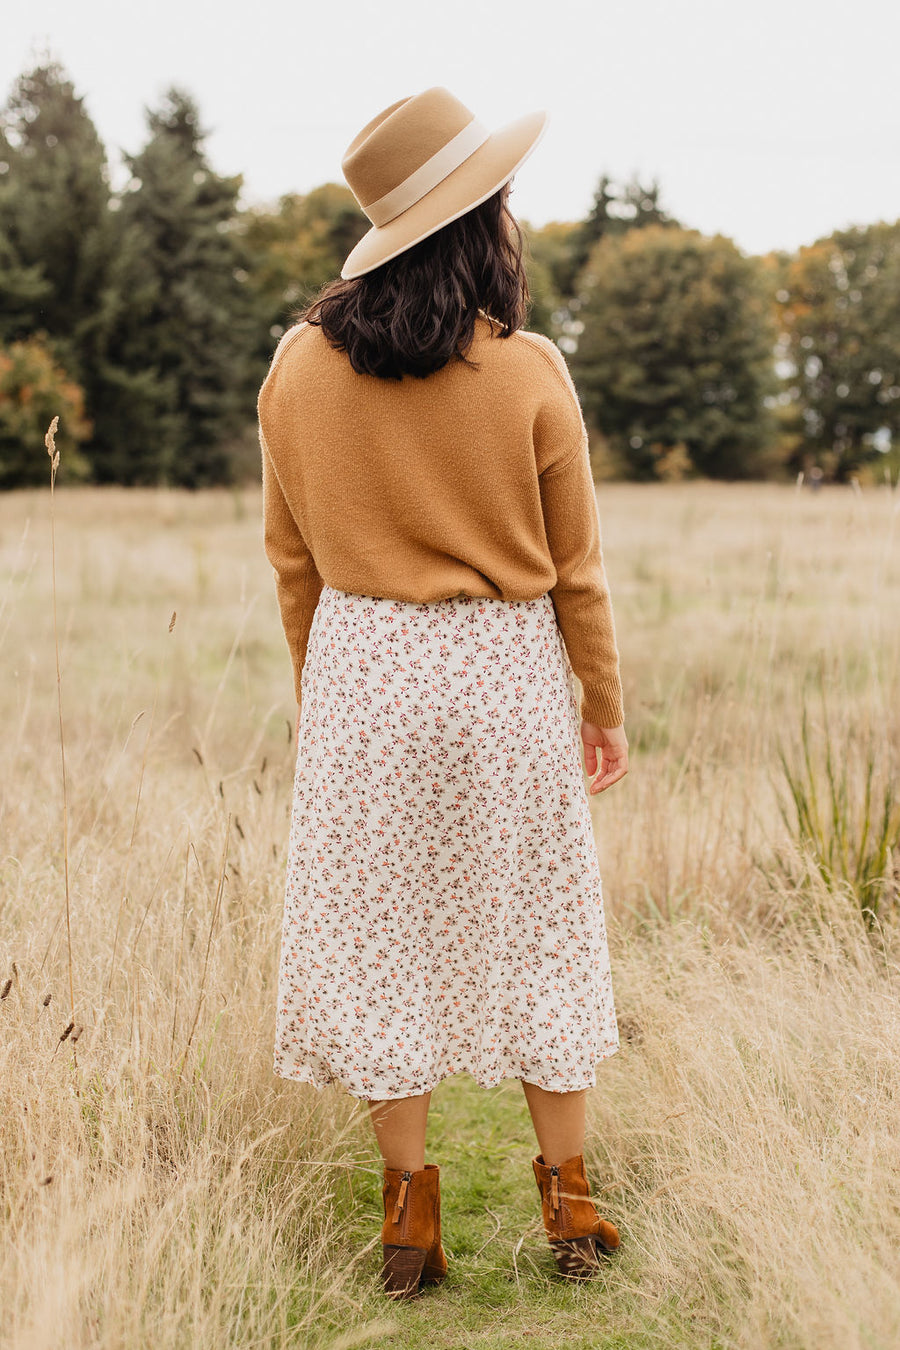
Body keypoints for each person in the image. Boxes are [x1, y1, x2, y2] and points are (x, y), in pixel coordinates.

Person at [257, 85, 629, 1299]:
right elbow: (576, 570)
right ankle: (571, 1205)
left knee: (379, 945)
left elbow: (292, 562)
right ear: (482, 228)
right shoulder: (529, 370)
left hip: (364, 673)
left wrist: (329, 699)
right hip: (504, 676)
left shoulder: (298, 370)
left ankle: (411, 1223)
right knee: (540, 933)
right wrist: (603, 705)